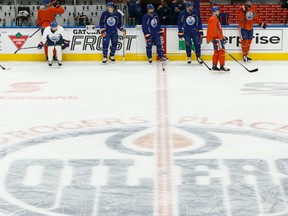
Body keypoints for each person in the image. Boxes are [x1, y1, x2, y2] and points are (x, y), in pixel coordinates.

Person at [206, 6, 230, 72]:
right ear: (215, 11)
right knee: (222, 51)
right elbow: (213, 30)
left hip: (217, 38)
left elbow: (216, 29)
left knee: (216, 52)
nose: (219, 12)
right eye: (218, 11)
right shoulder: (213, 19)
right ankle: (222, 66)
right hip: (217, 38)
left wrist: (220, 36)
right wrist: (216, 38)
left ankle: (214, 66)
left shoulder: (214, 18)